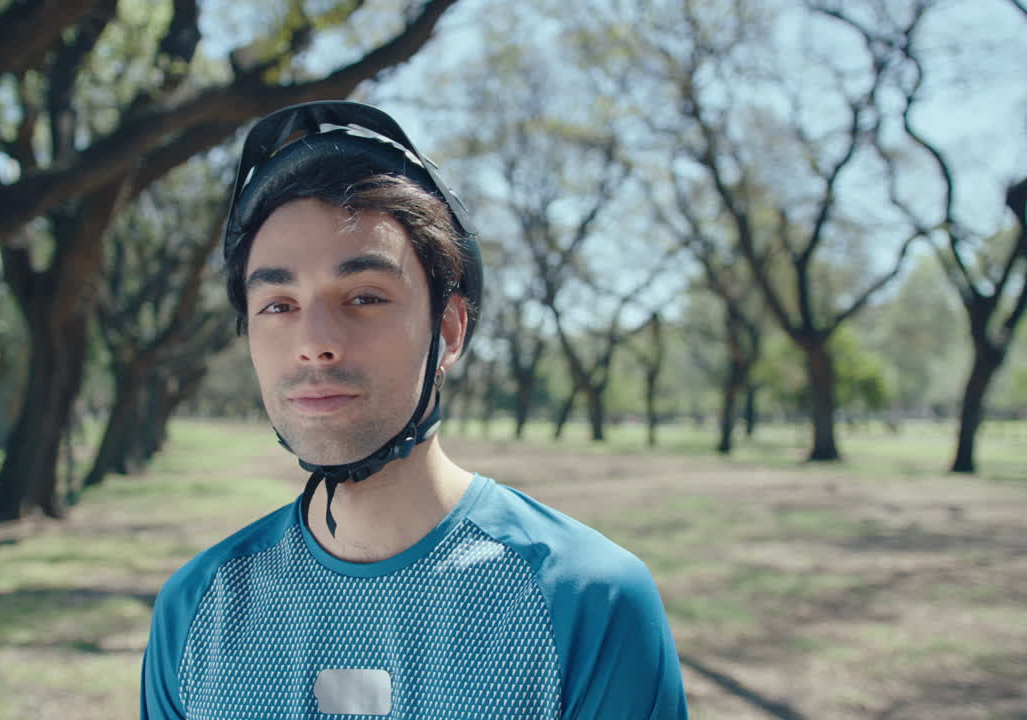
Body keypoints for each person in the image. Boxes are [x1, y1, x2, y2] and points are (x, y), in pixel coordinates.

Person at [141, 101, 688, 719]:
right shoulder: (195, 609)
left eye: (364, 297)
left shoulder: (588, 600)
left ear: (448, 330)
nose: (312, 341)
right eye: (278, 305)